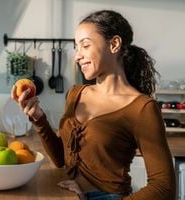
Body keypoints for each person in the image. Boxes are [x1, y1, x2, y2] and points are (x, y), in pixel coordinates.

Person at [11, 10, 176, 200]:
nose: (77, 56)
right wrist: (38, 118)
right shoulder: (76, 93)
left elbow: (164, 188)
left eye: (85, 45)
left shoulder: (142, 108)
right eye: (76, 47)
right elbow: (60, 159)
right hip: (68, 193)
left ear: (114, 44)